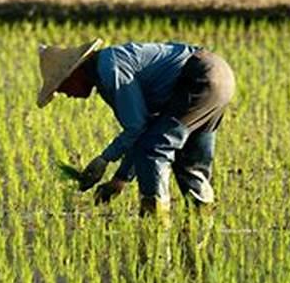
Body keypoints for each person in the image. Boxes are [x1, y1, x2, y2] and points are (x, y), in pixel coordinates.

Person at [37, 38, 235, 215]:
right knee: (189, 164)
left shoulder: (110, 69)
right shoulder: (108, 66)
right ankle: (203, 221)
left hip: (199, 77)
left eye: (61, 87)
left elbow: (137, 127)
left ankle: (155, 222)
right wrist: (119, 181)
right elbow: (143, 130)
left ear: (74, 72)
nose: (64, 94)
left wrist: (103, 159)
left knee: (154, 148)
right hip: (220, 75)